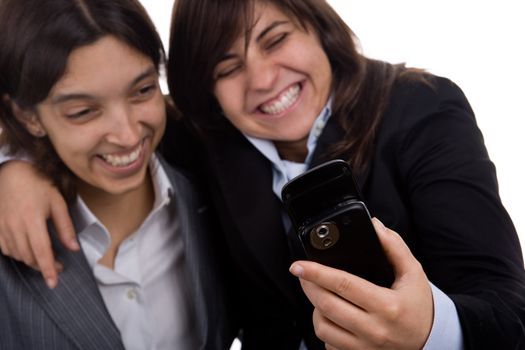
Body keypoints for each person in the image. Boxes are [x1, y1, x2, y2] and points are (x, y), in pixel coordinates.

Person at [1, 0, 524, 349]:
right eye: (226, 67)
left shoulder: (422, 112)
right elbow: (98, 108)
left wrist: (431, 329)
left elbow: (508, 309)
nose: (262, 80)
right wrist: (16, 164)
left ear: (316, 24)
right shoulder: (206, 135)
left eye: (275, 40)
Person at [0, 0, 233, 349]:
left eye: (142, 90)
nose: (126, 135)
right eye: (83, 111)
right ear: (27, 117)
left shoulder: (207, 179)